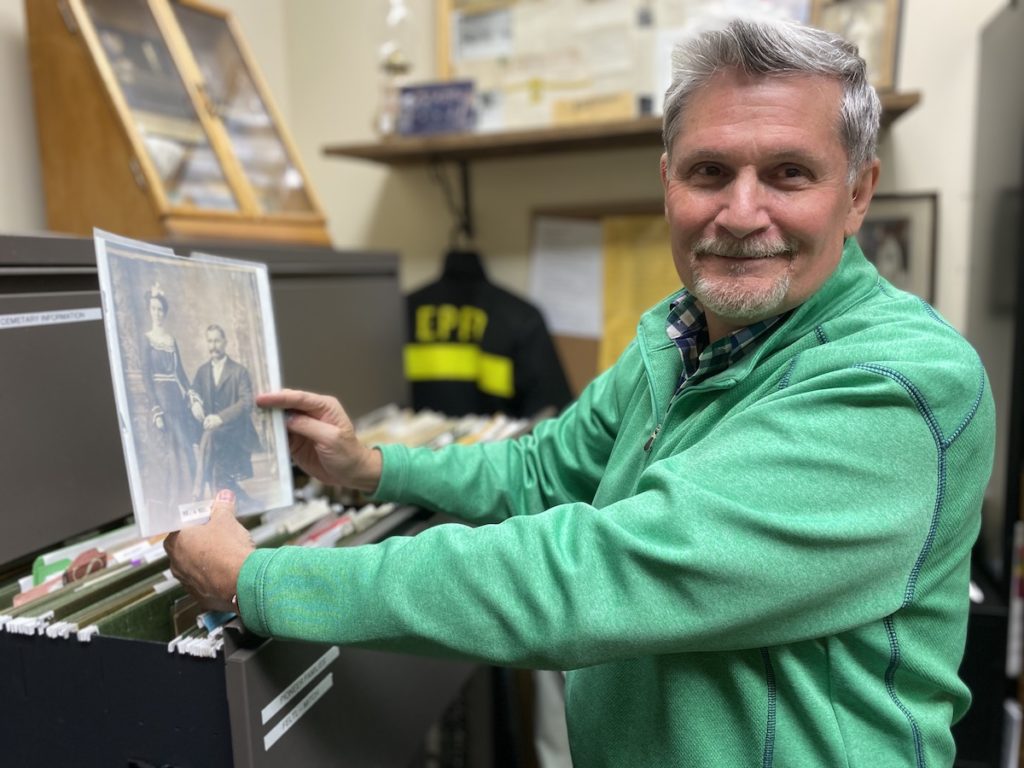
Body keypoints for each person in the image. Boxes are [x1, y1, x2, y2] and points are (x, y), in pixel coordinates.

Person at [165, 17, 996, 767]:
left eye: (789, 173)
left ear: (857, 193)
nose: (742, 213)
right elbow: (540, 469)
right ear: (667, 181)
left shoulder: (899, 384)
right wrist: (374, 467)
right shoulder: (680, 334)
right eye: (710, 171)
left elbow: (592, 577)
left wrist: (260, 581)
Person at [139, 284, 200, 526]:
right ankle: (172, 508)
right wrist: (156, 410)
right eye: (153, 309)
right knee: (170, 455)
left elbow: (181, 374)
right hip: (161, 402)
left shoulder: (171, 340)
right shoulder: (147, 339)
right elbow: (146, 378)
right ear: (149, 311)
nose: (156, 313)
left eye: (160, 309)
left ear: (165, 312)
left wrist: (192, 396)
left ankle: (189, 503)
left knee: (186, 450)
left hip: (176, 400)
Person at [189, 324, 261, 505]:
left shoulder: (239, 371)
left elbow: (246, 402)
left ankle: (199, 488)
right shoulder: (203, 371)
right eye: (210, 341)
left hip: (235, 431)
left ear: (225, 342)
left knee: (210, 437)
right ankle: (233, 498)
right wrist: (195, 402)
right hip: (212, 433)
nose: (213, 346)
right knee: (218, 472)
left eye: (217, 341)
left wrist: (220, 418)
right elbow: (193, 390)